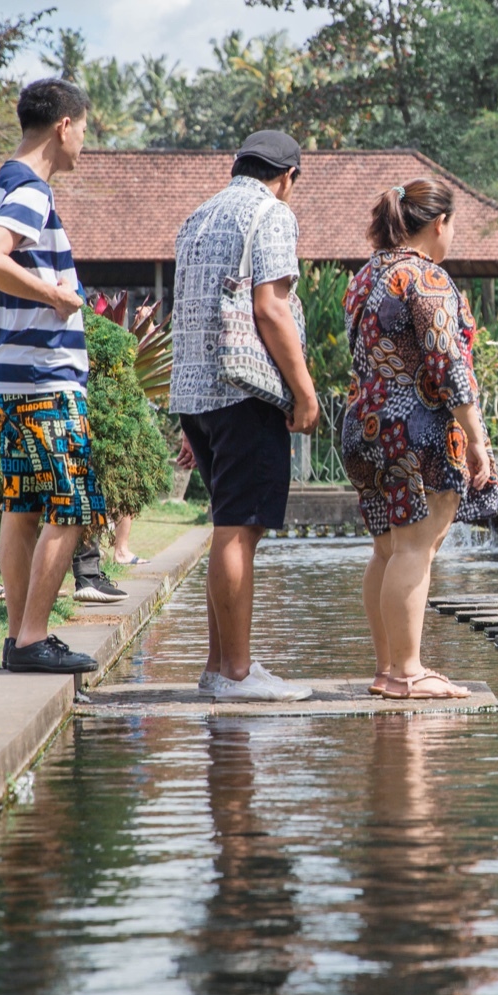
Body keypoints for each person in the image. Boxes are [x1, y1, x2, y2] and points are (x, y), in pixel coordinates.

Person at [168, 130, 322, 700]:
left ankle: (217, 668)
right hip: (245, 390)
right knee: (239, 530)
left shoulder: (198, 216)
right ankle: (235, 673)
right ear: (286, 176)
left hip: (196, 395)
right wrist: (304, 392)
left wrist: (186, 412)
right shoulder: (271, 212)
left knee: (227, 524)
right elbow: (271, 306)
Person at [0, 78, 104, 674]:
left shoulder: (8, 181)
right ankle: (33, 638)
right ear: (63, 127)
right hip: (43, 377)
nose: (85, 146)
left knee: (23, 506)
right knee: (71, 505)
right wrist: (57, 295)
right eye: (85, 131)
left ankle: (20, 637)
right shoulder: (31, 189)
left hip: (16, 375)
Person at [342, 177, 498, 699]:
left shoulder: (366, 275)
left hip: (365, 421)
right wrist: (477, 436)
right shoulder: (425, 278)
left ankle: (388, 670)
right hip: (415, 426)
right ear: (439, 223)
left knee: (387, 547)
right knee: (416, 547)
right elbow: (447, 362)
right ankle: (408, 671)